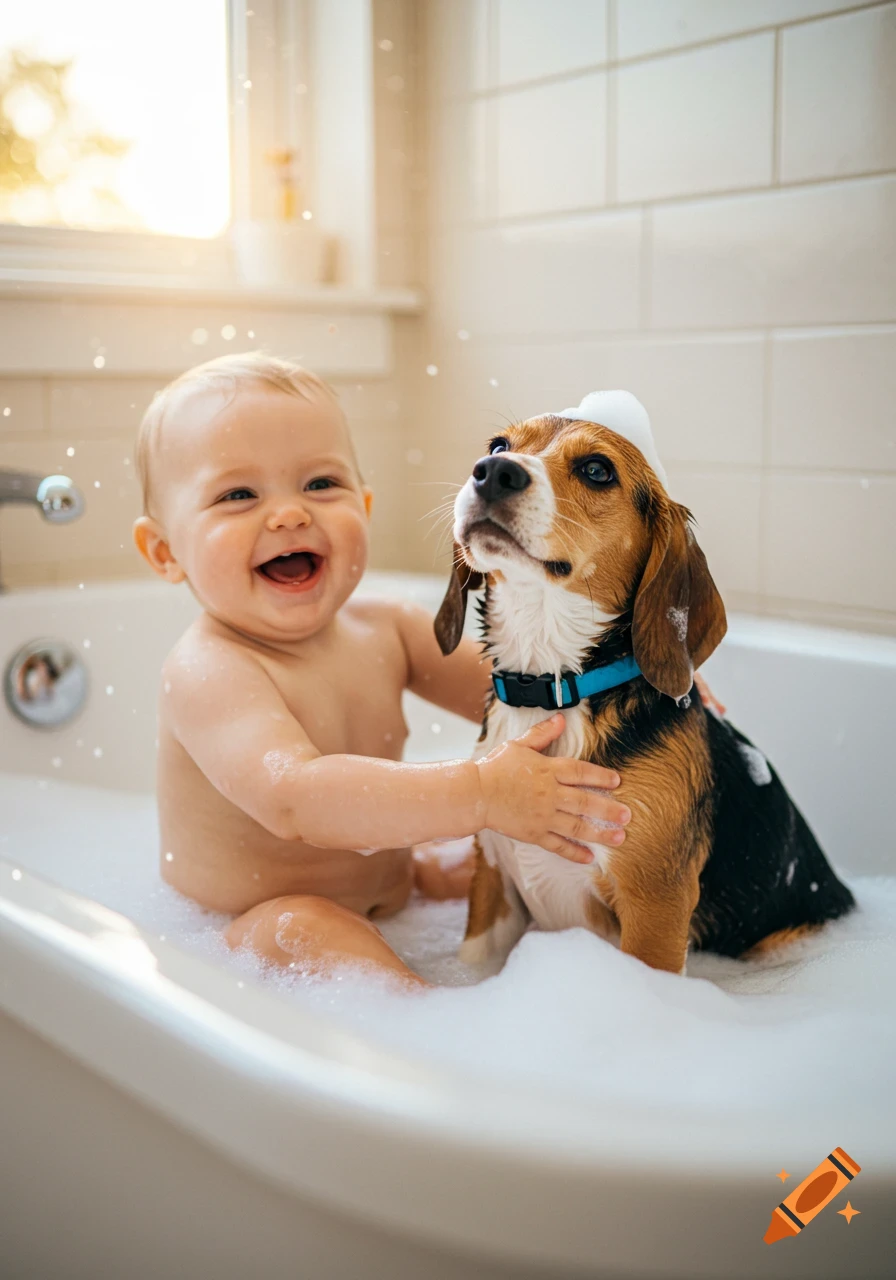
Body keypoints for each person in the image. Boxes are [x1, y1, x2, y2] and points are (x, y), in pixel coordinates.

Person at [132, 352, 695, 987]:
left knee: (493, 860)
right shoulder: (209, 670)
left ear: (364, 506)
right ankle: (433, 1026)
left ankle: (472, 972)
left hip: (397, 889)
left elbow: (540, 692)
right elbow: (295, 799)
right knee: (304, 922)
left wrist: (652, 666)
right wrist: (483, 795)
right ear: (164, 551)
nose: (289, 514)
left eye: (320, 484)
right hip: (248, 926)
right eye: (238, 494)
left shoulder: (386, 628)